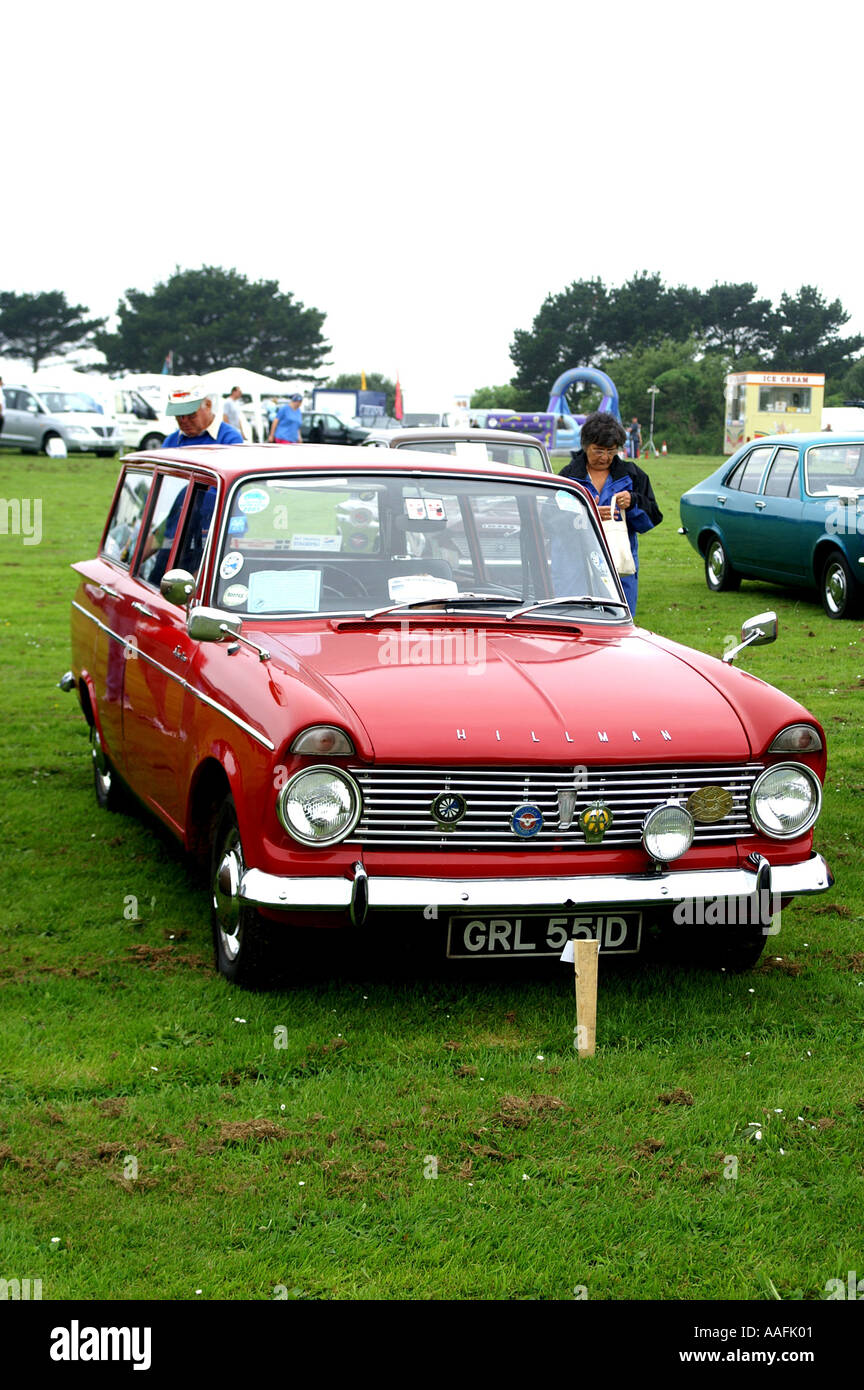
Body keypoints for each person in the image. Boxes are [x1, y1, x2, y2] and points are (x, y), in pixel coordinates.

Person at [560, 411, 662, 617]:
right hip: (574, 566)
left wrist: (633, 502)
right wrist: (587, 515)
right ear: (585, 446)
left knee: (618, 622)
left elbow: (652, 519)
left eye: (611, 451)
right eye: (598, 451)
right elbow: (551, 522)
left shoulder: (632, 475)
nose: (605, 457)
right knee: (573, 619)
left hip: (618, 566)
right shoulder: (568, 478)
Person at [161, 384, 244, 448]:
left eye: (191, 415)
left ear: (208, 405)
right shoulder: (171, 441)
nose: (184, 421)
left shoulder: (230, 439)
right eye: (179, 416)